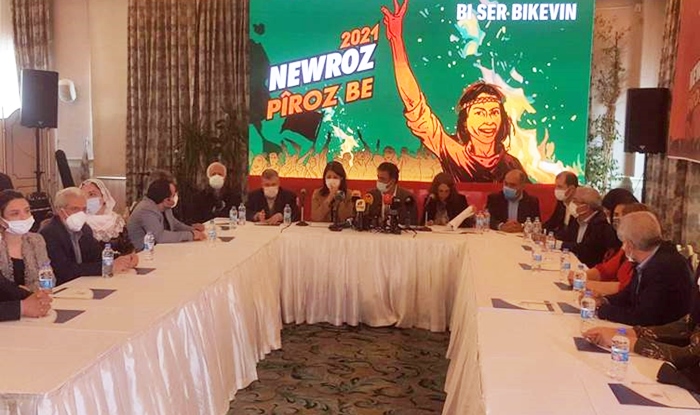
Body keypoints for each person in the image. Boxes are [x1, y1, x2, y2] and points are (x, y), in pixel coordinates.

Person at [381, 0, 526, 182]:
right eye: (480, 113)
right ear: (465, 121)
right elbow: (414, 104)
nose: (489, 121)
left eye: (494, 112)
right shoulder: (452, 152)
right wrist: (396, 40)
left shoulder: (511, 165)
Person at [584, 286, 700, 391]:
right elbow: (685, 326)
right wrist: (621, 333)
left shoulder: (666, 270)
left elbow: (691, 355)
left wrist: (627, 343)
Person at [590, 212, 693, 326]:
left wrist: (602, 310)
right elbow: (629, 293)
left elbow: (643, 318)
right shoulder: (650, 257)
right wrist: (604, 300)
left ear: (630, 245)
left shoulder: (664, 267)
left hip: (663, 333)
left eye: (623, 242)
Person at [40, 188, 136, 284]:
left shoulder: (85, 229)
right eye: (75, 209)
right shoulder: (49, 233)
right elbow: (64, 271)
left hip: (83, 283)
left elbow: (97, 256)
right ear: (60, 211)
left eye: (84, 209)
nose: (80, 214)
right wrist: (108, 266)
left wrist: (124, 259)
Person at [571, 203, 650, 296]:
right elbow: (605, 270)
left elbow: (623, 287)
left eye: (620, 217)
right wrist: (580, 276)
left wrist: (582, 282)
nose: (616, 220)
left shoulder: (641, 253)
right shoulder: (625, 246)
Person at [128, 179, 206, 250]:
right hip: (143, 253)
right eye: (173, 195)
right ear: (166, 200)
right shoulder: (146, 209)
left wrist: (192, 229)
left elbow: (175, 224)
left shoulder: (165, 207)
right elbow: (160, 237)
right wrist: (190, 235)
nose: (175, 197)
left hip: (160, 249)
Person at [0, 190, 51, 291]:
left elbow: (48, 277)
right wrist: (20, 292)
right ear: (1, 219)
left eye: (27, 211)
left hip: (38, 297)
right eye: (15, 213)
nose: (24, 217)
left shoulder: (36, 240)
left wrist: (33, 290)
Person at [560, 187, 621, 268]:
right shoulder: (575, 220)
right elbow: (566, 238)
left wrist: (560, 244)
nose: (571, 203)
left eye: (575, 200)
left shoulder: (601, 224)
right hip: (571, 263)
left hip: (590, 268)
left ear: (586, 207)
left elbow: (586, 249)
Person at [80, 178, 136, 256]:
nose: (87, 199)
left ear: (104, 197)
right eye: (83, 196)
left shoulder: (117, 221)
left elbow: (129, 248)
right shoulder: (79, 223)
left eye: (92, 194)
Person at [543, 171, 578, 238]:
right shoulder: (561, 202)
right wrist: (539, 229)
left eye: (560, 187)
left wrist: (554, 237)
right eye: (556, 186)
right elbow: (552, 222)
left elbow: (572, 234)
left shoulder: (580, 205)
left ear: (571, 189)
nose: (556, 190)